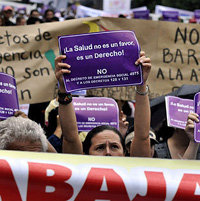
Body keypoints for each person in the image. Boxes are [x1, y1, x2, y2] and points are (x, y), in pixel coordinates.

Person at [55, 50, 151, 157]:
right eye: (100, 148)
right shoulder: (80, 170)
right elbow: (70, 138)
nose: (108, 152)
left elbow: (142, 137)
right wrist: (64, 89)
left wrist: (141, 84)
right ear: (85, 153)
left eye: (114, 146)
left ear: (125, 152)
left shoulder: (134, 171)